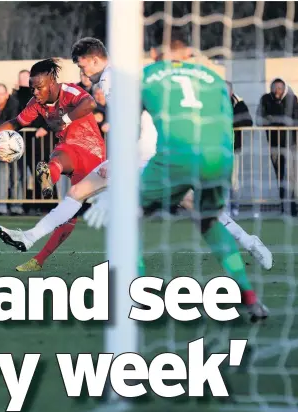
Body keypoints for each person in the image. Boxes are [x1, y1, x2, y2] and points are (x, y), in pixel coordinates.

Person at [0, 37, 272, 273]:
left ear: (92, 60)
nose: (81, 71)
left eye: (81, 65)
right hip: (145, 153)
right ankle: (30, 237)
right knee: (78, 192)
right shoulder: (116, 76)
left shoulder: (109, 80)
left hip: (149, 156)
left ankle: (249, 242)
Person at [88, 28, 269, 322]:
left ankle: (138, 300)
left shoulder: (147, 74)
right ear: (188, 53)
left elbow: (129, 127)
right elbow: (227, 117)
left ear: (158, 54)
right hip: (219, 157)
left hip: (177, 156)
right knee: (209, 221)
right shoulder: (211, 77)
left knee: (126, 216)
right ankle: (250, 298)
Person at [0, 58, 105, 270]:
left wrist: (65, 119)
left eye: (39, 87)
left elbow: (90, 103)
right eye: (32, 88)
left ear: (51, 83)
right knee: (59, 164)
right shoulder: (37, 104)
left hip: (91, 153)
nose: (35, 92)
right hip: (68, 148)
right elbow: (15, 123)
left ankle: (49, 175)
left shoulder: (69, 91)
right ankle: (38, 257)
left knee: (68, 202)